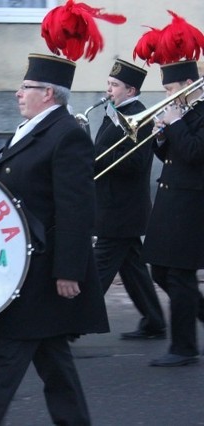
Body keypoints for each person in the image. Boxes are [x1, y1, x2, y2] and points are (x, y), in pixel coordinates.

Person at [0, 53, 109, 425]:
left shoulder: (67, 135)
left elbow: (76, 210)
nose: (17, 93)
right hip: (27, 261)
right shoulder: (32, 129)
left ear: (48, 93)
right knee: (51, 355)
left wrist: (69, 271)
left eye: (25, 87)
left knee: (10, 350)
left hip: (45, 267)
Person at [93, 59, 166, 340]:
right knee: (133, 269)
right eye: (109, 84)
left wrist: (94, 159)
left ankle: (68, 323)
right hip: (114, 205)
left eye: (114, 85)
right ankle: (155, 321)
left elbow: (135, 163)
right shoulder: (113, 112)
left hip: (122, 209)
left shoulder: (139, 117)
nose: (108, 90)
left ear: (131, 90)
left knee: (98, 270)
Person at [142, 58, 204, 367]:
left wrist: (176, 123)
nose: (166, 95)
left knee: (180, 274)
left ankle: (184, 348)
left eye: (169, 89)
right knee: (161, 271)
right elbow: (170, 154)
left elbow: (194, 153)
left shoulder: (201, 113)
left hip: (191, 204)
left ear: (186, 86)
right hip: (172, 199)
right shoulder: (183, 113)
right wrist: (161, 134)